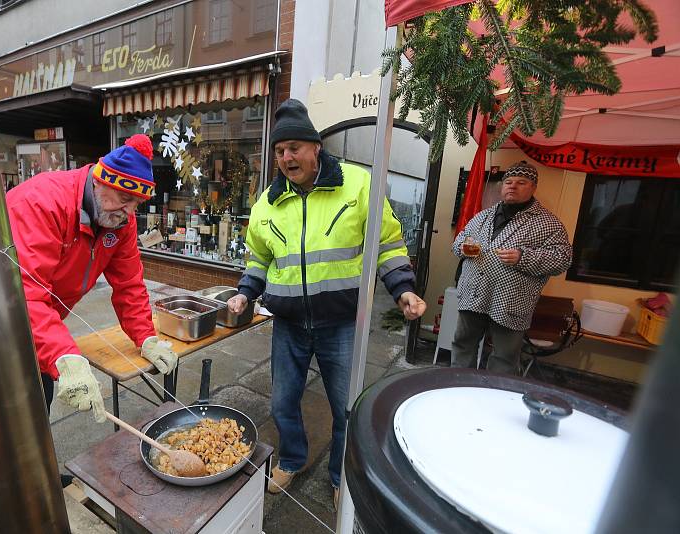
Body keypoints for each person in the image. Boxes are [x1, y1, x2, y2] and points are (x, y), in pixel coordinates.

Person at [0, 134, 179, 532]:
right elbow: (25, 294)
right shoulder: (43, 200)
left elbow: (130, 284)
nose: (129, 213)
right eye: (123, 200)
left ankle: (37, 483)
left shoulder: (120, 221)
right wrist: (65, 357)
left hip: (33, 317)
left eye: (136, 205)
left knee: (38, 401)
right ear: (99, 180)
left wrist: (145, 337)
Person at [226, 99, 426, 507]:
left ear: (315, 147)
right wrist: (245, 291)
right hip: (289, 324)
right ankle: (293, 459)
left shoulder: (358, 185)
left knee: (347, 408)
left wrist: (402, 287)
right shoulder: (267, 202)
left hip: (342, 322)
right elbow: (259, 257)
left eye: (294, 148)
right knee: (282, 401)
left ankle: (340, 477)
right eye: (280, 151)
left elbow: (386, 242)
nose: (286, 158)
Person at [451, 160, 572, 374]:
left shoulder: (549, 224)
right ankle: (458, 383)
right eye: (508, 181)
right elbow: (458, 241)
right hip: (474, 293)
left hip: (510, 301)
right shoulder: (483, 216)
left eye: (521, 182)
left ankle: (496, 396)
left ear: (533, 188)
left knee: (505, 357)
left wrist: (523, 257)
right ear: (502, 186)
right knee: (463, 344)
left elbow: (562, 259)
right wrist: (464, 248)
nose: (512, 186)